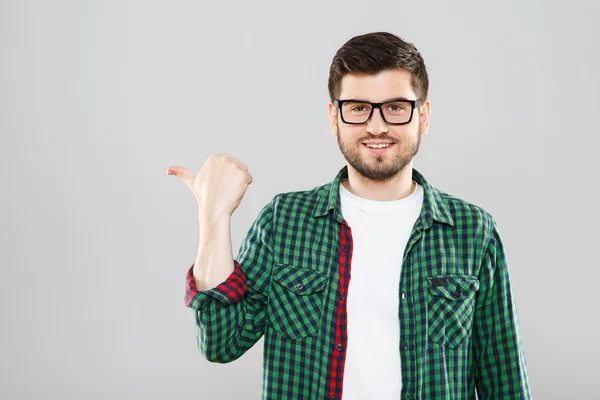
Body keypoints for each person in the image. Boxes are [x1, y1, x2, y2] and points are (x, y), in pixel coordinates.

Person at [167, 31, 532, 400]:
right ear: (334, 116)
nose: (376, 126)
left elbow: (504, 382)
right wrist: (213, 217)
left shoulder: (473, 231)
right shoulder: (285, 221)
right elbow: (220, 342)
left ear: (423, 116)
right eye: (358, 107)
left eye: (395, 107)